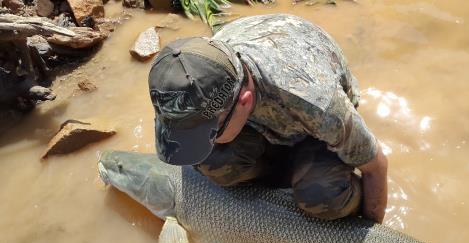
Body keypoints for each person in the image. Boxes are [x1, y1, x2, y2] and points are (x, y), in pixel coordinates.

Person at [148, 14, 388, 222]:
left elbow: (376, 167)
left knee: (319, 195)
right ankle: (278, 178)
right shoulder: (195, 73)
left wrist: (368, 242)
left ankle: (306, 181)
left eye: (211, 133)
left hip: (313, 132)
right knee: (212, 163)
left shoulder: (318, 104)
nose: (205, 140)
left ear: (244, 101)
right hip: (261, 123)